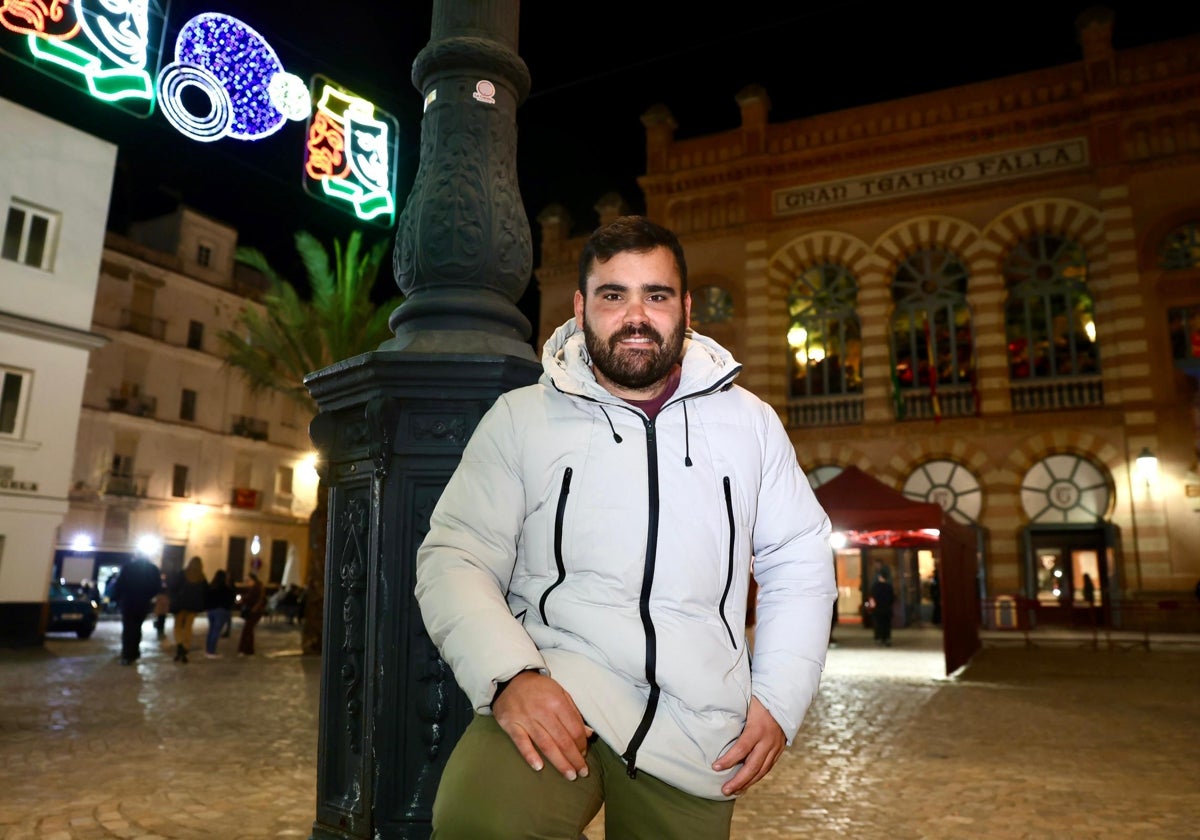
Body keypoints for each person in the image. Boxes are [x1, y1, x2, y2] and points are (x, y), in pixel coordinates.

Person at [415, 215, 836, 839]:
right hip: (559, 688)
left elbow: (799, 562)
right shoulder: (520, 418)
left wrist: (777, 700)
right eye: (614, 295)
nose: (636, 315)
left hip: (698, 722)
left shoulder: (751, 424)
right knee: (478, 824)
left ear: (686, 308)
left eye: (656, 295)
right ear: (582, 305)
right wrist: (511, 675)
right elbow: (456, 554)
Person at [108, 554, 164, 665]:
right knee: (137, 627)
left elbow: (119, 585)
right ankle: (134, 651)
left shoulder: (128, 567)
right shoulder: (153, 569)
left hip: (128, 602)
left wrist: (118, 598)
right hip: (142, 603)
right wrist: (148, 595)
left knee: (128, 628)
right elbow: (157, 587)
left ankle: (127, 654)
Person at [171, 556, 207, 664]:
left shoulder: (182, 574)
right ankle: (185, 648)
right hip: (193, 607)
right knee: (188, 628)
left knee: (178, 626)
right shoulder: (201, 577)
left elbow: (173, 587)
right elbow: (205, 592)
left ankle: (179, 645)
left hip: (181, 605)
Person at [204, 569, 236, 658]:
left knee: (211, 630)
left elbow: (206, 598)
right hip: (221, 611)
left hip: (211, 611)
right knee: (215, 631)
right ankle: (211, 651)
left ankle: (208, 650)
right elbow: (230, 600)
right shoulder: (225, 588)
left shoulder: (212, 587)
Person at [237, 572, 266, 656]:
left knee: (247, 631)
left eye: (248, 580)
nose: (247, 582)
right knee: (249, 631)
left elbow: (251, 599)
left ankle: (243, 650)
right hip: (256, 611)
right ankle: (249, 650)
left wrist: (242, 600)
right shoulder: (258, 587)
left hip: (254, 612)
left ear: (253, 580)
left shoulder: (255, 588)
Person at [869, 570, 896, 647]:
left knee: (878, 624)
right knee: (886, 625)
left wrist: (872, 607)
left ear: (879, 577)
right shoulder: (889, 587)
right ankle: (886, 639)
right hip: (887, 609)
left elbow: (872, 598)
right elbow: (892, 598)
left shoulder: (875, 587)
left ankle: (879, 638)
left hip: (877, 609)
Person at [152, 574, 170, 641]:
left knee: (161, 619)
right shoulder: (161, 585)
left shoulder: (162, 584)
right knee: (161, 619)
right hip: (161, 602)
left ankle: (160, 631)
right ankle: (160, 632)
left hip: (162, 603)